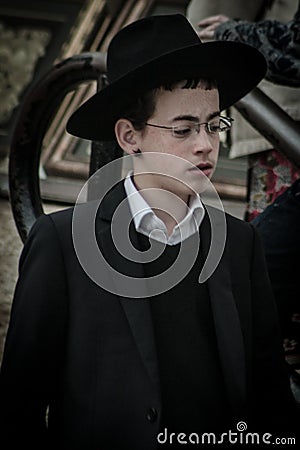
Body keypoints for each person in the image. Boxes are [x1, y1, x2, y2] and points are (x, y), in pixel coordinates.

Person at [0, 14, 297, 450]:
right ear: (128, 136)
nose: (205, 144)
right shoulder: (62, 243)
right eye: (183, 129)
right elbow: (18, 409)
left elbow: (269, 398)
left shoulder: (238, 243)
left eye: (214, 125)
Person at [187, 0, 300, 221]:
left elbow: (206, 24)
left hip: (281, 117)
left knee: (273, 240)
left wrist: (233, 33)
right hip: (279, 115)